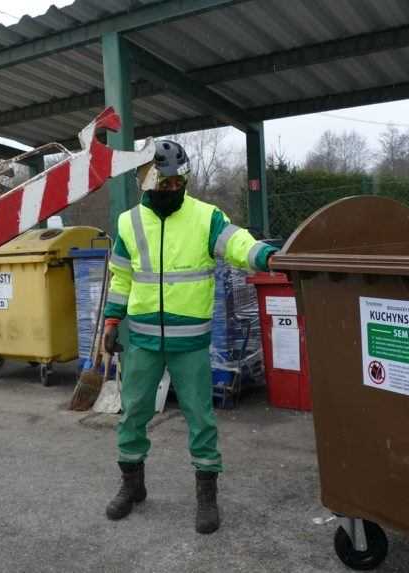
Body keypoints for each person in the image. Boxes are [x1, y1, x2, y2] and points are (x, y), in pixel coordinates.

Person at [102, 140, 276, 534]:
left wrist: (265, 255)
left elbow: (237, 243)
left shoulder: (205, 216)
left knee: (201, 418)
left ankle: (206, 496)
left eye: (178, 181)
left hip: (190, 344)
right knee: (133, 414)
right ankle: (133, 486)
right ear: (144, 180)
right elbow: (122, 277)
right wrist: (112, 321)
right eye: (164, 182)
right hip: (144, 341)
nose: (172, 189)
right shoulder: (129, 222)